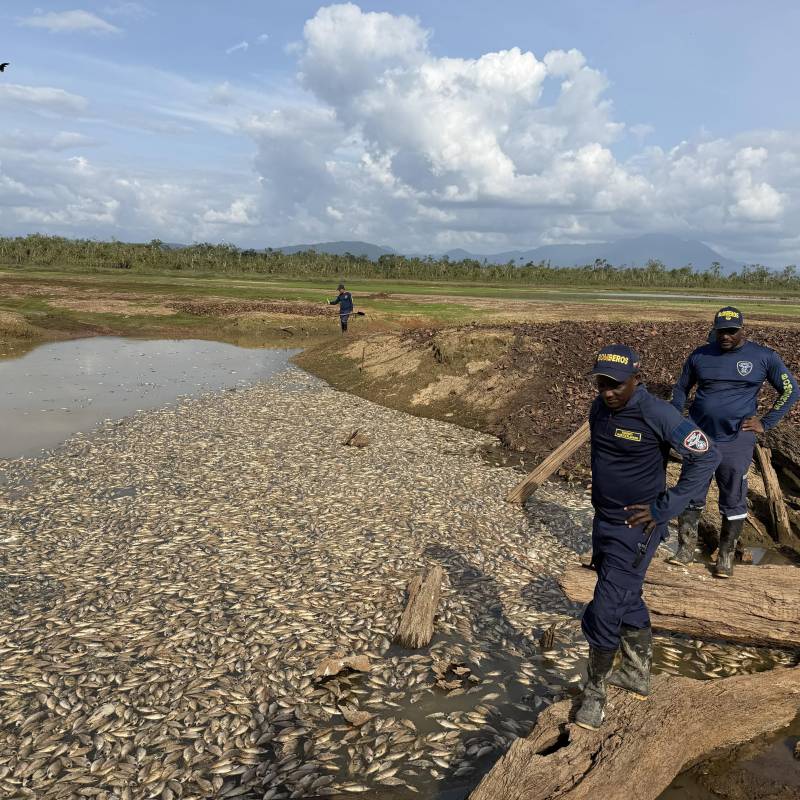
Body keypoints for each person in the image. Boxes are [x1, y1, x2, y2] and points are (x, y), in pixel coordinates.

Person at [575, 345, 720, 730]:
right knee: (626, 596)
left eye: (616, 384)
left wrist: (665, 507)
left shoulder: (658, 413)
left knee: (605, 608)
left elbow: (707, 455)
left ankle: (594, 693)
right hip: (603, 521)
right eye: (602, 382)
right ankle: (638, 674)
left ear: (636, 379)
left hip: (637, 527)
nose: (608, 391)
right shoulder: (598, 410)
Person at [669, 307, 798, 578]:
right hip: (699, 437)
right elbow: (681, 388)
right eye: (720, 330)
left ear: (743, 329)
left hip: (737, 439)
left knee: (733, 497)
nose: (725, 336)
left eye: (731, 330)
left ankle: (726, 556)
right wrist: (677, 419)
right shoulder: (700, 355)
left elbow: (791, 389)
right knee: (692, 492)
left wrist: (766, 422)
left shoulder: (763, 357)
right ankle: (685, 549)